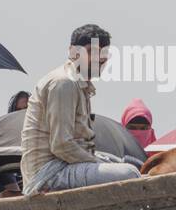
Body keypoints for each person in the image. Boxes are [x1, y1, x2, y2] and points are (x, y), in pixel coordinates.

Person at [20, 24, 141, 194]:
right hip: (48, 174)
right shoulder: (64, 83)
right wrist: (97, 163)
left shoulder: (79, 83)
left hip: (63, 165)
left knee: (134, 165)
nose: (99, 58)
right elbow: (61, 145)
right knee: (130, 173)